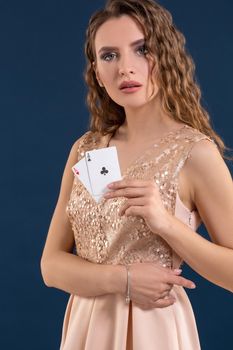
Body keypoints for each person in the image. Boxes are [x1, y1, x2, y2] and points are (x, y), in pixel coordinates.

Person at [40, 0, 233, 349]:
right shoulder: (87, 150)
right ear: (97, 71)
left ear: (167, 56)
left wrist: (167, 224)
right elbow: (51, 266)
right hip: (85, 329)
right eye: (109, 55)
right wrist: (123, 279)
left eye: (142, 49)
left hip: (153, 331)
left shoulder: (196, 154)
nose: (126, 68)